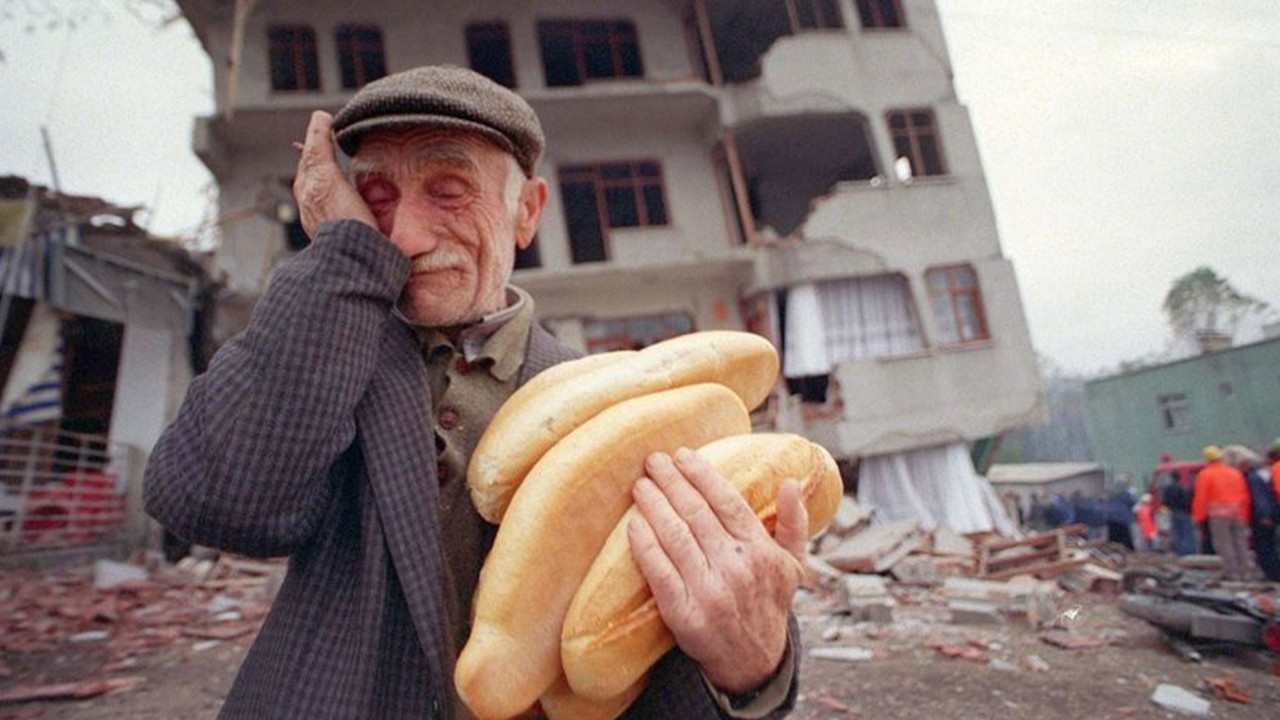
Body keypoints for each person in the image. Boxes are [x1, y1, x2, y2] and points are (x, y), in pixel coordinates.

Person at [144, 66, 804, 720]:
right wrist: (344, 256)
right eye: (375, 197)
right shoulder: (322, 360)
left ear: (527, 212)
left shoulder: (620, 408)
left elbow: (646, 645)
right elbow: (212, 501)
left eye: (449, 189)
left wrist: (752, 670)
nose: (404, 236)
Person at [1191, 445, 1255, 581]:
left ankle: (1233, 573)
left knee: (1224, 544)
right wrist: (1245, 514)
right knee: (1240, 543)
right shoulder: (1234, 473)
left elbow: (1201, 497)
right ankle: (1246, 572)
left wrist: (1199, 517)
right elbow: (1244, 495)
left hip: (1219, 515)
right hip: (1237, 513)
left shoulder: (1205, 474)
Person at [1242, 450, 1279, 581]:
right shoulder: (1265, 475)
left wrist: (1263, 515)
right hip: (1272, 513)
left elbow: (1259, 498)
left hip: (1261, 518)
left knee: (1264, 547)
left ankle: (1272, 574)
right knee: (1271, 544)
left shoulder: (1252, 478)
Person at [1161, 470, 1197, 556]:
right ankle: (1189, 552)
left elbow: (1164, 502)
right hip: (1184, 513)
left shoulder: (1168, 489)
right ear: (1179, 478)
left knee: (1177, 533)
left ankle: (1180, 552)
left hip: (1173, 513)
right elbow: (1186, 501)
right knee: (1187, 533)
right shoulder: (1182, 488)